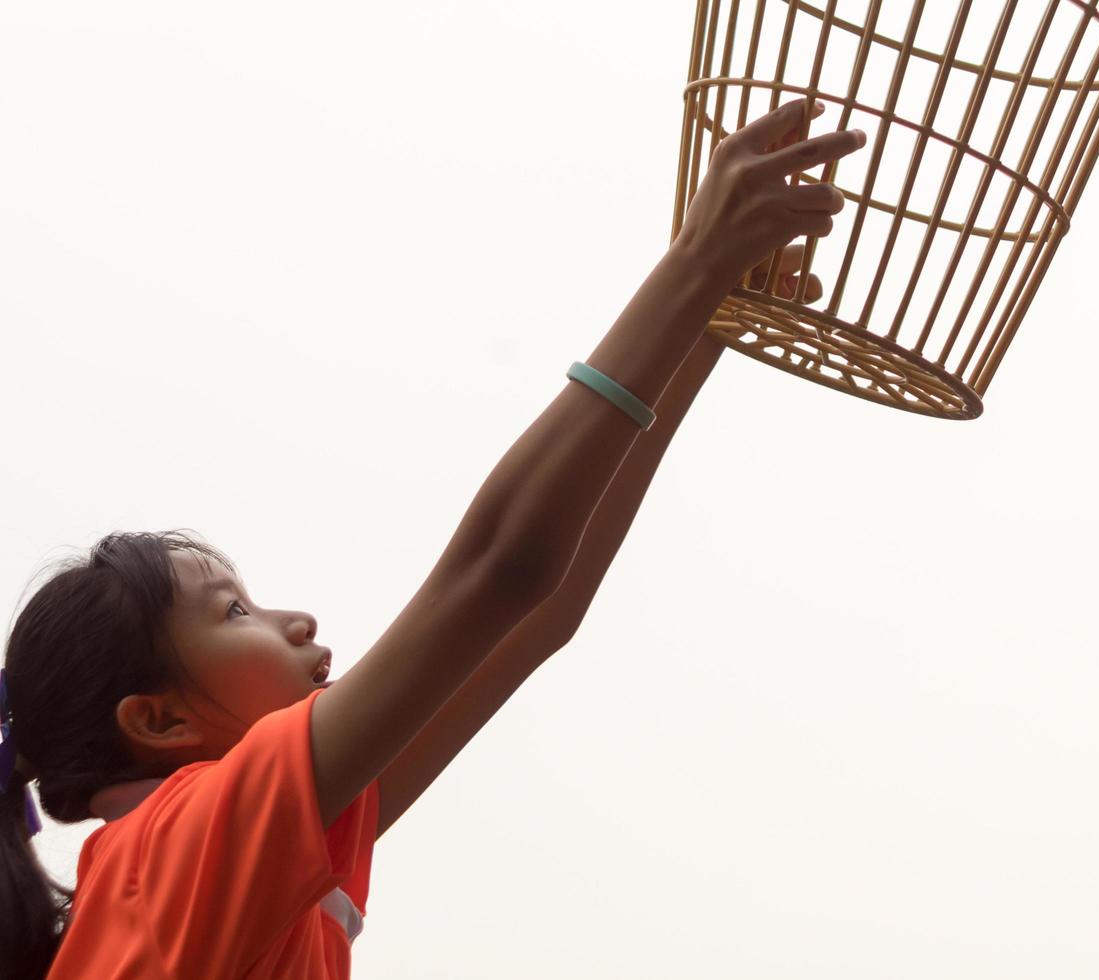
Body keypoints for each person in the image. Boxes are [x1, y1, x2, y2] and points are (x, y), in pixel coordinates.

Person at [0, 96, 865, 979]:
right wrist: (689, 268)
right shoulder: (178, 851)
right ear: (160, 718)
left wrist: (703, 319)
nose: (293, 620)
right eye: (234, 613)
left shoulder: (216, 864)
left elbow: (534, 613)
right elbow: (498, 574)